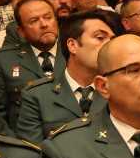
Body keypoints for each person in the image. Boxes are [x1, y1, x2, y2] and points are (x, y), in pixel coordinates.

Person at [17, 12, 111, 143]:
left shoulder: (119, 90)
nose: (109, 45)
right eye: (100, 37)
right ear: (73, 45)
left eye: (112, 40)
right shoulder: (37, 95)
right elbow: (32, 155)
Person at [0, 0, 62, 131]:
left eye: (48, 17)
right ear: (21, 32)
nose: (44, 24)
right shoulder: (3, 61)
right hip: (25, 141)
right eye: (34, 21)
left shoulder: (76, 53)